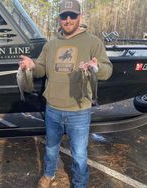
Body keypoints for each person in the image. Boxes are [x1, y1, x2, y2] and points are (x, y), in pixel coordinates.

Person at [19, 0, 113, 187]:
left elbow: (107, 71)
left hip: (79, 111)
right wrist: (31, 66)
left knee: (79, 154)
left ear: (80, 16)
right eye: (64, 16)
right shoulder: (51, 44)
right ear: (59, 19)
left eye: (72, 15)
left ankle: (79, 183)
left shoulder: (93, 42)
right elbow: (41, 70)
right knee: (51, 148)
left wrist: (96, 67)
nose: (68, 20)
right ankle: (49, 174)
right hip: (53, 109)